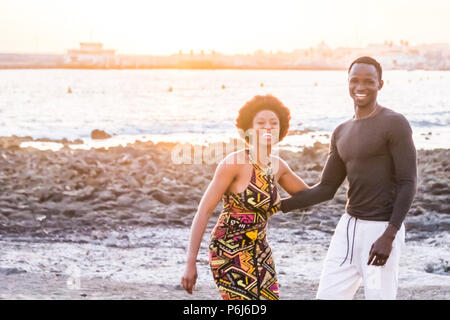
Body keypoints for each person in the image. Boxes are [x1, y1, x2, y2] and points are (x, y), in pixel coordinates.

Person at [281, 56, 417, 300]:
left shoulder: (395, 123)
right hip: (346, 230)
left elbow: (408, 183)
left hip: (381, 229)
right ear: (348, 83)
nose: (360, 86)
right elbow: (326, 188)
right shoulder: (341, 131)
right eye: (354, 80)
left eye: (368, 81)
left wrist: (389, 235)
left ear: (380, 84)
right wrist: (278, 205)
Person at [181, 94, 309, 300]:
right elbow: (204, 211)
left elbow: (308, 197)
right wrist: (190, 262)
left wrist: (343, 166)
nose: (268, 127)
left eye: (273, 123)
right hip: (228, 250)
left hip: (260, 250)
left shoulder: (279, 166)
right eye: (260, 122)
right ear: (248, 128)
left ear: (281, 129)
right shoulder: (234, 162)